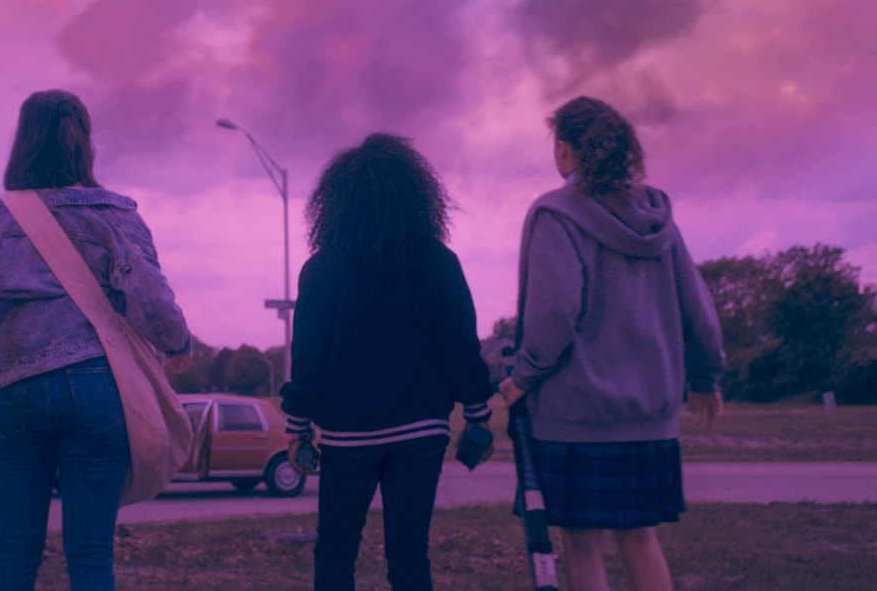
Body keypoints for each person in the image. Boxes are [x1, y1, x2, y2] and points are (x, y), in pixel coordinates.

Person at [0, 89, 193, 591]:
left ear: (23, 142)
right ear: (84, 144)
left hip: (15, 388)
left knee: (14, 551)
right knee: (91, 553)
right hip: (99, 388)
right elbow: (154, 306)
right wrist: (179, 345)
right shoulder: (114, 217)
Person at [497, 96, 726, 591]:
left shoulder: (556, 215)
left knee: (582, 545)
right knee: (641, 539)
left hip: (576, 415)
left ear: (565, 150)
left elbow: (554, 314)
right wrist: (706, 378)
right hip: (650, 416)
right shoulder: (659, 218)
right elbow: (698, 309)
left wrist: (522, 377)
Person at [279, 133, 495, 591]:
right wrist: (477, 414)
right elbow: (460, 345)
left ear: (335, 203)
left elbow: (308, 355)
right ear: (417, 195)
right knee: (409, 552)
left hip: (345, 436)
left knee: (335, 549)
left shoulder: (322, 269)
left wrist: (297, 426)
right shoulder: (438, 262)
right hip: (421, 433)